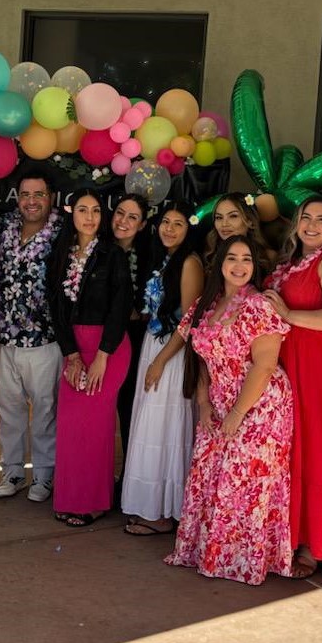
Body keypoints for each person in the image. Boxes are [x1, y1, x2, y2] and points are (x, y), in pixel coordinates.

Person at [164, 235, 294, 585]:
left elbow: (265, 365)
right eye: (232, 258)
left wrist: (237, 414)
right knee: (210, 475)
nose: (239, 265)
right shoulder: (207, 304)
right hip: (218, 399)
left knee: (243, 480)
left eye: (247, 259)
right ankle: (210, 553)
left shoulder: (259, 305)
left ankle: (241, 561)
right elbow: (201, 357)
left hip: (259, 404)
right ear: (220, 263)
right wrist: (204, 402)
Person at [262, 195, 322, 578]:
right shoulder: (290, 263)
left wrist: (288, 314)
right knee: (291, 447)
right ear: (296, 222)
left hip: (319, 364)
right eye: (306, 217)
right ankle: (287, 534)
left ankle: (312, 544)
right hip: (291, 361)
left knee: (315, 446)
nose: (312, 225)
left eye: (321, 219)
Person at [47, 188, 132, 526]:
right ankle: (70, 498)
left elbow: (120, 308)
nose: (90, 217)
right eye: (83, 210)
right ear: (72, 214)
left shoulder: (113, 255)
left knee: (96, 425)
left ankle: (95, 502)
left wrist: (101, 356)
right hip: (74, 348)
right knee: (71, 424)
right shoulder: (61, 253)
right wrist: (71, 355)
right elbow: (56, 307)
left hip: (107, 349)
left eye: (96, 210)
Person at [122, 201, 204, 535]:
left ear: (189, 230)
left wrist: (160, 361)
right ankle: (150, 507)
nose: (169, 229)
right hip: (154, 344)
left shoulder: (190, 262)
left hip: (172, 353)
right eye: (166, 222)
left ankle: (163, 513)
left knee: (163, 428)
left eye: (178, 223)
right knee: (149, 426)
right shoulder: (165, 258)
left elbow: (189, 321)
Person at [0, 170, 63, 501]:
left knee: (46, 410)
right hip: (3, 336)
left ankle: (44, 475)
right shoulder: (4, 226)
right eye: (26, 194)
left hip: (44, 339)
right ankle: (13, 470)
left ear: (50, 198)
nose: (32, 201)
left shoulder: (62, 232)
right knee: (8, 408)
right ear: (17, 198)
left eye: (39, 194)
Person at [111, 193, 151, 494]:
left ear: (142, 224)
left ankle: (127, 478)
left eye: (132, 217)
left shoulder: (149, 256)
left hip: (134, 339)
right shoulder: (99, 248)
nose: (123, 221)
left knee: (128, 408)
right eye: (120, 213)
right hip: (98, 338)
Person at [204, 192, 275, 273]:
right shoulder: (210, 255)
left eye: (233, 216)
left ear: (250, 220)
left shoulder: (268, 257)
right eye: (219, 217)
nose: (224, 224)